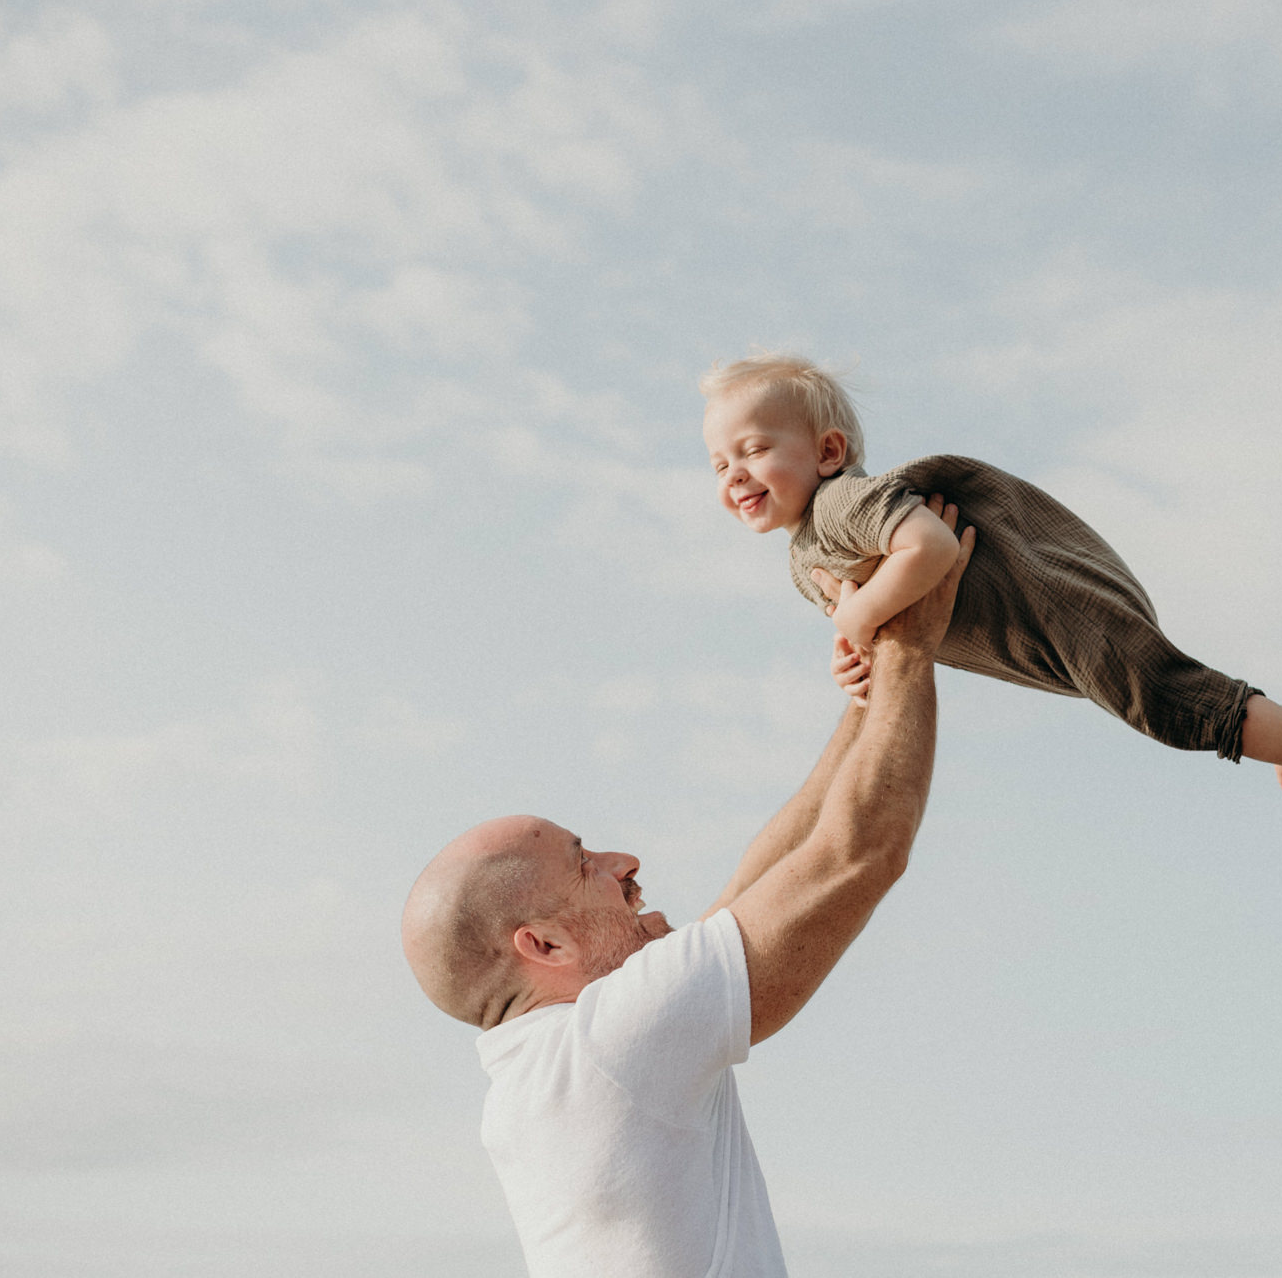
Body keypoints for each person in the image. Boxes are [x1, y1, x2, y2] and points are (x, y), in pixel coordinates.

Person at [399, 502, 975, 1277]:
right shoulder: (614, 1045)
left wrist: (864, 697)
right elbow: (858, 851)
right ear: (544, 943)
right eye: (585, 864)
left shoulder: (550, 1073)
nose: (625, 861)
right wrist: (911, 631)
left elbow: (758, 886)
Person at [700, 352, 1282, 847]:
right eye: (719, 464)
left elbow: (931, 550)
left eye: (754, 449)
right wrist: (851, 655)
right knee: (1153, 698)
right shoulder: (801, 558)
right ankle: (1279, 730)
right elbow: (873, 615)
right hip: (1023, 638)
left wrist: (853, 614)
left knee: (1159, 698)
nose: (735, 475)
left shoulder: (842, 501)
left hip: (1050, 600)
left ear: (827, 451)